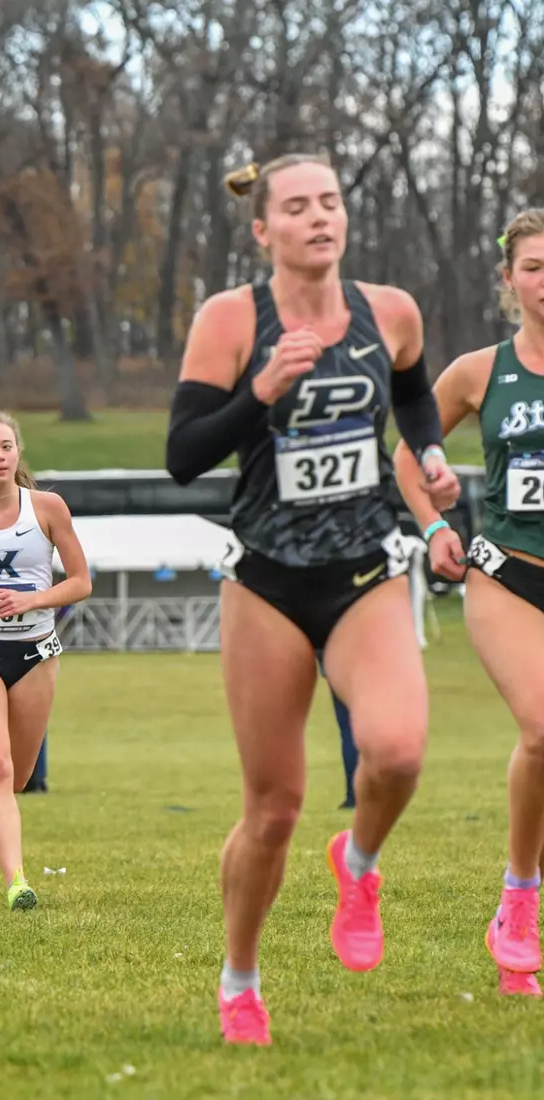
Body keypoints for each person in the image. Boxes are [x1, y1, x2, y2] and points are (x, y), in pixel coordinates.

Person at [165, 153, 460, 1044]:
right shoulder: (230, 320)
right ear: (264, 231)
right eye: (297, 207)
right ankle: (240, 979)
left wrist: (432, 455)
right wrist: (260, 394)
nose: (319, 218)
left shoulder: (391, 311)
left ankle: (359, 864)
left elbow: (412, 400)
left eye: (330, 203)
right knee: (274, 809)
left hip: (364, 567)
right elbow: (183, 456)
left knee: (399, 754)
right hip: (266, 582)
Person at [393, 208, 544, 997]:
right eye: (534, 267)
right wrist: (432, 523)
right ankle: (520, 900)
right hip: (507, 573)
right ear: (509, 279)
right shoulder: (480, 371)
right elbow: (409, 453)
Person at [0, 408, 91, 910]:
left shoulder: (47, 508)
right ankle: (17, 882)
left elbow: (80, 582)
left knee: (20, 776)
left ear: (17, 452)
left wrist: (32, 599)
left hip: (36, 650)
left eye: (5, 446)